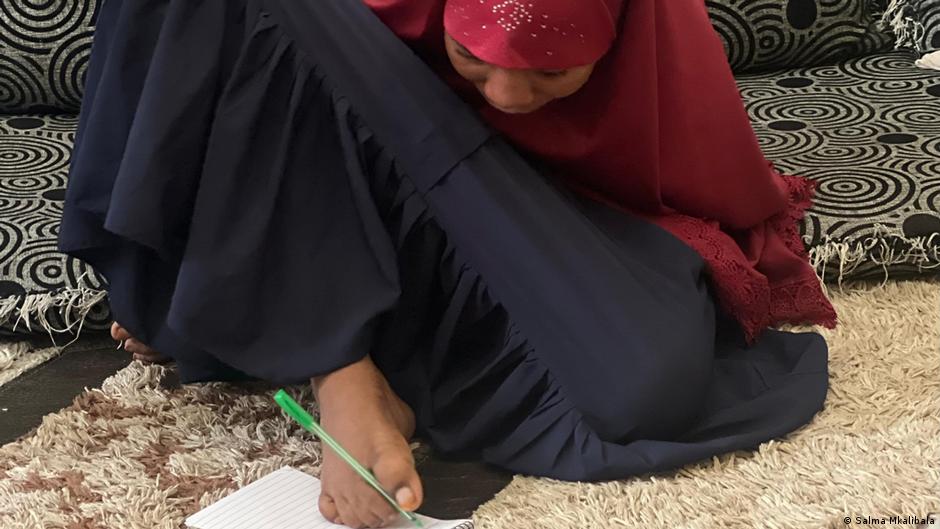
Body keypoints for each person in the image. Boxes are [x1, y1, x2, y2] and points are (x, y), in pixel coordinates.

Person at [60, 0, 836, 527]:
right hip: (378, 165)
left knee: (640, 388)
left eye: (553, 73)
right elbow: (297, 110)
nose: (508, 96)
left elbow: (689, 185)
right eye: (470, 55)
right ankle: (341, 367)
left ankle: (274, 324)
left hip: (513, 206)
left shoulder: (656, 40)